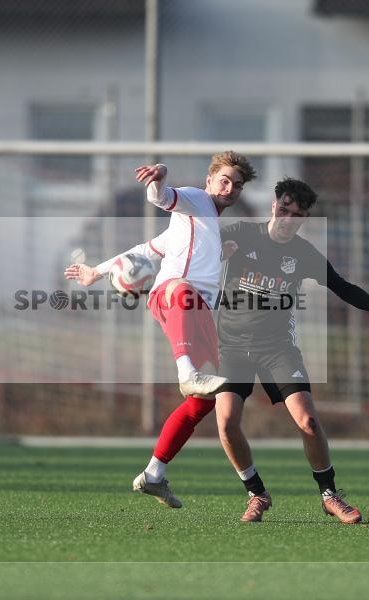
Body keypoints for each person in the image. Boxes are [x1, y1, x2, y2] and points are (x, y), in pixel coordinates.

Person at [72, 178, 369, 523]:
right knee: (227, 422)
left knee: (307, 420)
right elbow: (180, 247)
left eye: (297, 215)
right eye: (284, 210)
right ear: (274, 206)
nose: (288, 219)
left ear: (305, 219)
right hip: (230, 347)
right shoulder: (239, 234)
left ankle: (330, 495)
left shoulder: (304, 253)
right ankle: (256, 494)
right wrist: (132, 276)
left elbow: (341, 286)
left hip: (278, 348)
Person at [66, 151, 257, 508]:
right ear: (209, 181)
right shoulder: (196, 199)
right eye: (224, 181)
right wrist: (161, 176)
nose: (230, 189)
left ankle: (154, 474)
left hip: (200, 314)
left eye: (237, 185)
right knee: (182, 289)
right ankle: (186, 372)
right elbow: (161, 197)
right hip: (172, 296)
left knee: (201, 405)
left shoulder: (201, 225)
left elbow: (145, 249)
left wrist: (96, 272)